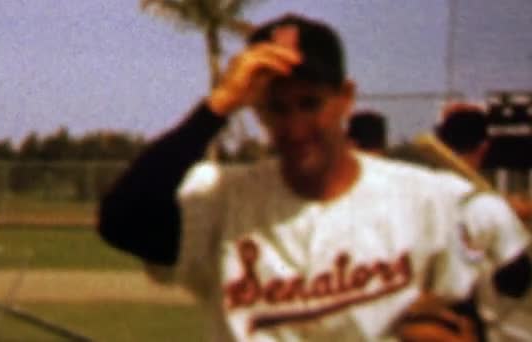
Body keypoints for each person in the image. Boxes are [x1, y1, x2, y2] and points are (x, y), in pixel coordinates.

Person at [98, 14, 508, 341]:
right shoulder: (220, 198)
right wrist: (217, 106)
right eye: (276, 108)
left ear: (345, 98)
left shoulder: (428, 201)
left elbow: (494, 314)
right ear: (256, 111)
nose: (294, 126)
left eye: (310, 103)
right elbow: (121, 221)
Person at [436, 103, 532, 340]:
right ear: (483, 148)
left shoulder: (423, 198)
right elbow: (517, 279)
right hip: (492, 328)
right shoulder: (487, 207)